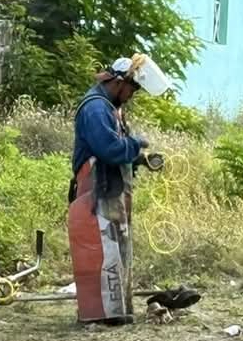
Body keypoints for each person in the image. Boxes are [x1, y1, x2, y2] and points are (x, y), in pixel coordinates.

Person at [68, 54, 169, 325]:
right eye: (133, 89)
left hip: (109, 187)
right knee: (104, 251)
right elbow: (109, 148)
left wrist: (139, 159)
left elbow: (115, 148)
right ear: (119, 82)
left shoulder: (111, 107)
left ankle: (116, 311)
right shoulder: (96, 108)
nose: (133, 95)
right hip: (97, 189)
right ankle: (101, 314)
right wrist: (136, 144)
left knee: (117, 251)